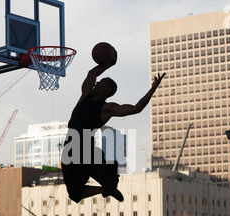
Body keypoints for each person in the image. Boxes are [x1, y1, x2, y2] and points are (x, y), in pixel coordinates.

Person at [61, 55, 166, 204]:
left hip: (85, 147)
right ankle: (106, 190)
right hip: (70, 145)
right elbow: (92, 73)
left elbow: (137, 108)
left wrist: (153, 88)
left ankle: (110, 179)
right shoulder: (85, 94)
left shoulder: (107, 109)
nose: (96, 83)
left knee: (107, 176)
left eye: (101, 83)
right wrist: (108, 63)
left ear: (107, 90)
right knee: (74, 194)